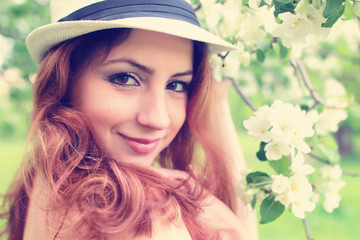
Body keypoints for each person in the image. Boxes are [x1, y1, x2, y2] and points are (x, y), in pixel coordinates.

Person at [0, 0, 258, 239]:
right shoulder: (138, 216)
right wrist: (211, 210)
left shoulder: (48, 179)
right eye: (124, 78)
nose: (158, 119)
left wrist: (219, 103)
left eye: (177, 85)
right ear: (64, 79)